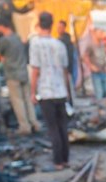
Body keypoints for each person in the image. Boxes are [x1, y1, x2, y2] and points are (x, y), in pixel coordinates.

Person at [30, 12, 72, 170]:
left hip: (46, 91)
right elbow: (64, 71)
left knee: (53, 128)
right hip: (60, 91)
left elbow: (35, 70)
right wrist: (67, 91)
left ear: (39, 23)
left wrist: (32, 92)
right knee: (62, 127)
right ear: (52, 24)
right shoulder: (59, 44)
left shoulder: (35, 43)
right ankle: (65, 159)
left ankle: (57, 161)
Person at [0, 19, 38, 135]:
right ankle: (34, 123)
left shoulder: (3, 40)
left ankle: (24, 127)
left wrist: (2, 58)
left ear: (1, 26)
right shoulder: (17, 37)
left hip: (12, 75)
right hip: (23, 72)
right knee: (28, 99)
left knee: (18, 102)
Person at [85, 28, 106, 99]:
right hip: (96, 73)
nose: (101, 35)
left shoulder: (102, 44)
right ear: (95, 34)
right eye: (99, 33)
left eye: (101, 33)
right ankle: (100, 108)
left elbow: (105, 56)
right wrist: (91, 66)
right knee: (99, 93)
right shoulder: (91, 45)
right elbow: (85, 56)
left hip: (104, 71)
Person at [57, 20, 79, 88]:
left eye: (60, 27)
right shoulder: (60, 39)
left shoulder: (64, 40)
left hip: (67, 66)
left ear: (64, 28)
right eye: (58, 27)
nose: (58, 29)